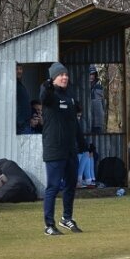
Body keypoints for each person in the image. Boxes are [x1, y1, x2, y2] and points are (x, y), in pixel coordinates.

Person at [40, 62, 86, 235]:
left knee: (70, 185)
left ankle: (67, 218)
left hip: (70, 150)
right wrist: (47, 84)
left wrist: (82, 144)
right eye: (61, 75)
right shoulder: (50, 95)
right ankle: (49, 225)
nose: (65, 77)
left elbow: (75, 123)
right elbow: (43, 96)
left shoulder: (70, 98)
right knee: (53, 186)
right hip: (54, 149)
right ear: (54, 78)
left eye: (66, 74)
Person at [75, 103, 97, 187]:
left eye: (80, 116)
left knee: (88, 153)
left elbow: (80, 137)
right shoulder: (72, 123)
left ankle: (88, 179)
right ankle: (83, 179)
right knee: (86, 153)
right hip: (72, 149)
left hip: (78, 148)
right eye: (77, 116)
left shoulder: (77, 124)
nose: (78, 118)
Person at [16, 64, 33, 134]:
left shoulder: (19, 84)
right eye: (16, 69)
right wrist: (19, 122)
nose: (19, 71)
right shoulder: (12, 85)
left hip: (25, 124)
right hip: (20, 126)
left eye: (20, 69)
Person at [89, 65, 106, 133]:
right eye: (90, 74)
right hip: (86, 122)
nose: (91, 76)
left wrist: (102, 114)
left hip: (98, 121)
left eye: (93, 74)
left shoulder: (99, 87)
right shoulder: (82, 89)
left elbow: (103, 104)